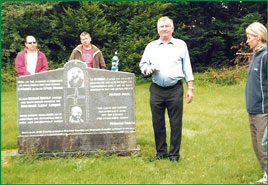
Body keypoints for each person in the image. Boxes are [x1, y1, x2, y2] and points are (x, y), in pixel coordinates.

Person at [139, 16, 194, 163]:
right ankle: (161, 152)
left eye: (167, 26)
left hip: (175, 89)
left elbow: (187, 67)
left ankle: (174, 155)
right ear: (158, 29)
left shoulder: (181, 45)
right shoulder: (150, 46)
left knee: (176, 123)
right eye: (161, 27)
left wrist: (190, 88)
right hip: (156, 89)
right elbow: (142, 65)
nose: (164, 29)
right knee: (157, 122)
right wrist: (147, 69)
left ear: (172, 28)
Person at [245, 22, 267, 184]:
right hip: (252, 109)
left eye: (249, 37)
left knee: (264, 145)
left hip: (263, 110)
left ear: (258, 37)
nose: (247, 41)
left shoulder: (266, 56)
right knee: (256, 145)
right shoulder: (256, 56)